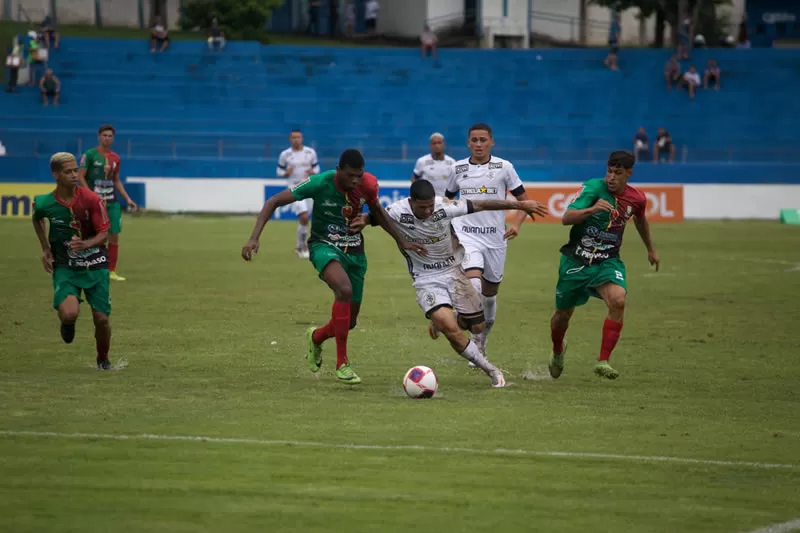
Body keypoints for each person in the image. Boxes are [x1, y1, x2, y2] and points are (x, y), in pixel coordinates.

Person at [242, 149, 425, 385]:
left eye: (359, 175)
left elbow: (378, 212)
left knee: (349, 322)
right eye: (351, 175)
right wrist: (254, 238)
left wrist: (402, 241)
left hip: (355, 252)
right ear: (339, 170)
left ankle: (316, 337)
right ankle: (342, 364)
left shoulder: (368, 185)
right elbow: (274, 201)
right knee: (344, 290)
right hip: (323, 246)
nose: (355, 181)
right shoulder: (320, 182)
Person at [355, 180, 548, 387]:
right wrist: (364, 220)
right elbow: (376, 216)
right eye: (422, 207)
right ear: (411, 202)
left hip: (454, 272)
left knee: (477, 326)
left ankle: (445, 320)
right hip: (426, 279)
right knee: (452, 331)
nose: (428, 211)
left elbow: (482, 204)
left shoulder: (444, 206)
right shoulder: (397, 211)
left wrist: (520, 205)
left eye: (430, 206)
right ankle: (491, 370)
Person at [548, 151, 659, 380]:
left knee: (618, 300)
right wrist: (592, 210)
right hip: (576, 260)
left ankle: (603, 361)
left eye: (617, 173)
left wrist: (650, 249)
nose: (611, 178)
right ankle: (558, 350)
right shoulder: (592, 188)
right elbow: (566, 218)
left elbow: (640, 219)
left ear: (629, 173)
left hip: (607, 261)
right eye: (609, 172)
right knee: (562, 316)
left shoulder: (637, 199)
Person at [444, 123, 530, 363]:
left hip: (495, 239)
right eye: (474, 140)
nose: (479, 144)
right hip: (466, 236)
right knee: (475, 287)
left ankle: (481, 339)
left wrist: (517, 225)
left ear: (491, 142)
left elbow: (524, 201)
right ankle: (460, 324)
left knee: (490, 295)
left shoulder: (504, 167)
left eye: (483, 140)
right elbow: (446, 201)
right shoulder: (457, 168)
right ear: (468, 143)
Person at [32, 153, 114, 370]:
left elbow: (104, 234)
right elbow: (37, 218)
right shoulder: (45, 202)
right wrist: (45, 248)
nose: (74, 175)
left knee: (102, 319)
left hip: (95, 263)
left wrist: (86, 244)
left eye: (75, 170)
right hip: (65, 266)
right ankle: (67, 324)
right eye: (68, 172)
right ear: (56, 175)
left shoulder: (91, 199)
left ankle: (103, 359)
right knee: (69, 313)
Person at [78, 125, 138, 282]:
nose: (107, 138)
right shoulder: (90, 155)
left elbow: (116, 180)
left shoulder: (115, 158)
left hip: (112, 202)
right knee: (93, 235)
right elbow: (80, 176)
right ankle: (88, 266)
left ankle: (111, 271)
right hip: (94, 203)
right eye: (104, 135)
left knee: (114, 236)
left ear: (113, 138)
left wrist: (128, 199)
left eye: (110, 136)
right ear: (99, 137)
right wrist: (89, 195)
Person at [277, 130, 320, 259]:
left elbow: (317, 168)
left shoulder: (310, 152)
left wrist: (313, 172)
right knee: (304, 217)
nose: (296, 139)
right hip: (295, 188)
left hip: (309, 188)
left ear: (302, 138)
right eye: (294, 137)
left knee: (305, 220)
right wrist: (286, 173)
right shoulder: (285, 154)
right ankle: (303, 247)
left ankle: (300, 247)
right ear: (290, 139)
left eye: (298, 137)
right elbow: (279, 170)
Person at [411, 133, 455, 197]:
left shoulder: (452, 162)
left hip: (446, 199)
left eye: (439, 143)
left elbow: (455, 182)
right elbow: (414, 178)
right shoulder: (422, 161)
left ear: (444, 144)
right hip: (427, 199)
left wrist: (451, 196)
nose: (437, 145)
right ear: (430, 145)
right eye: (434, 143)